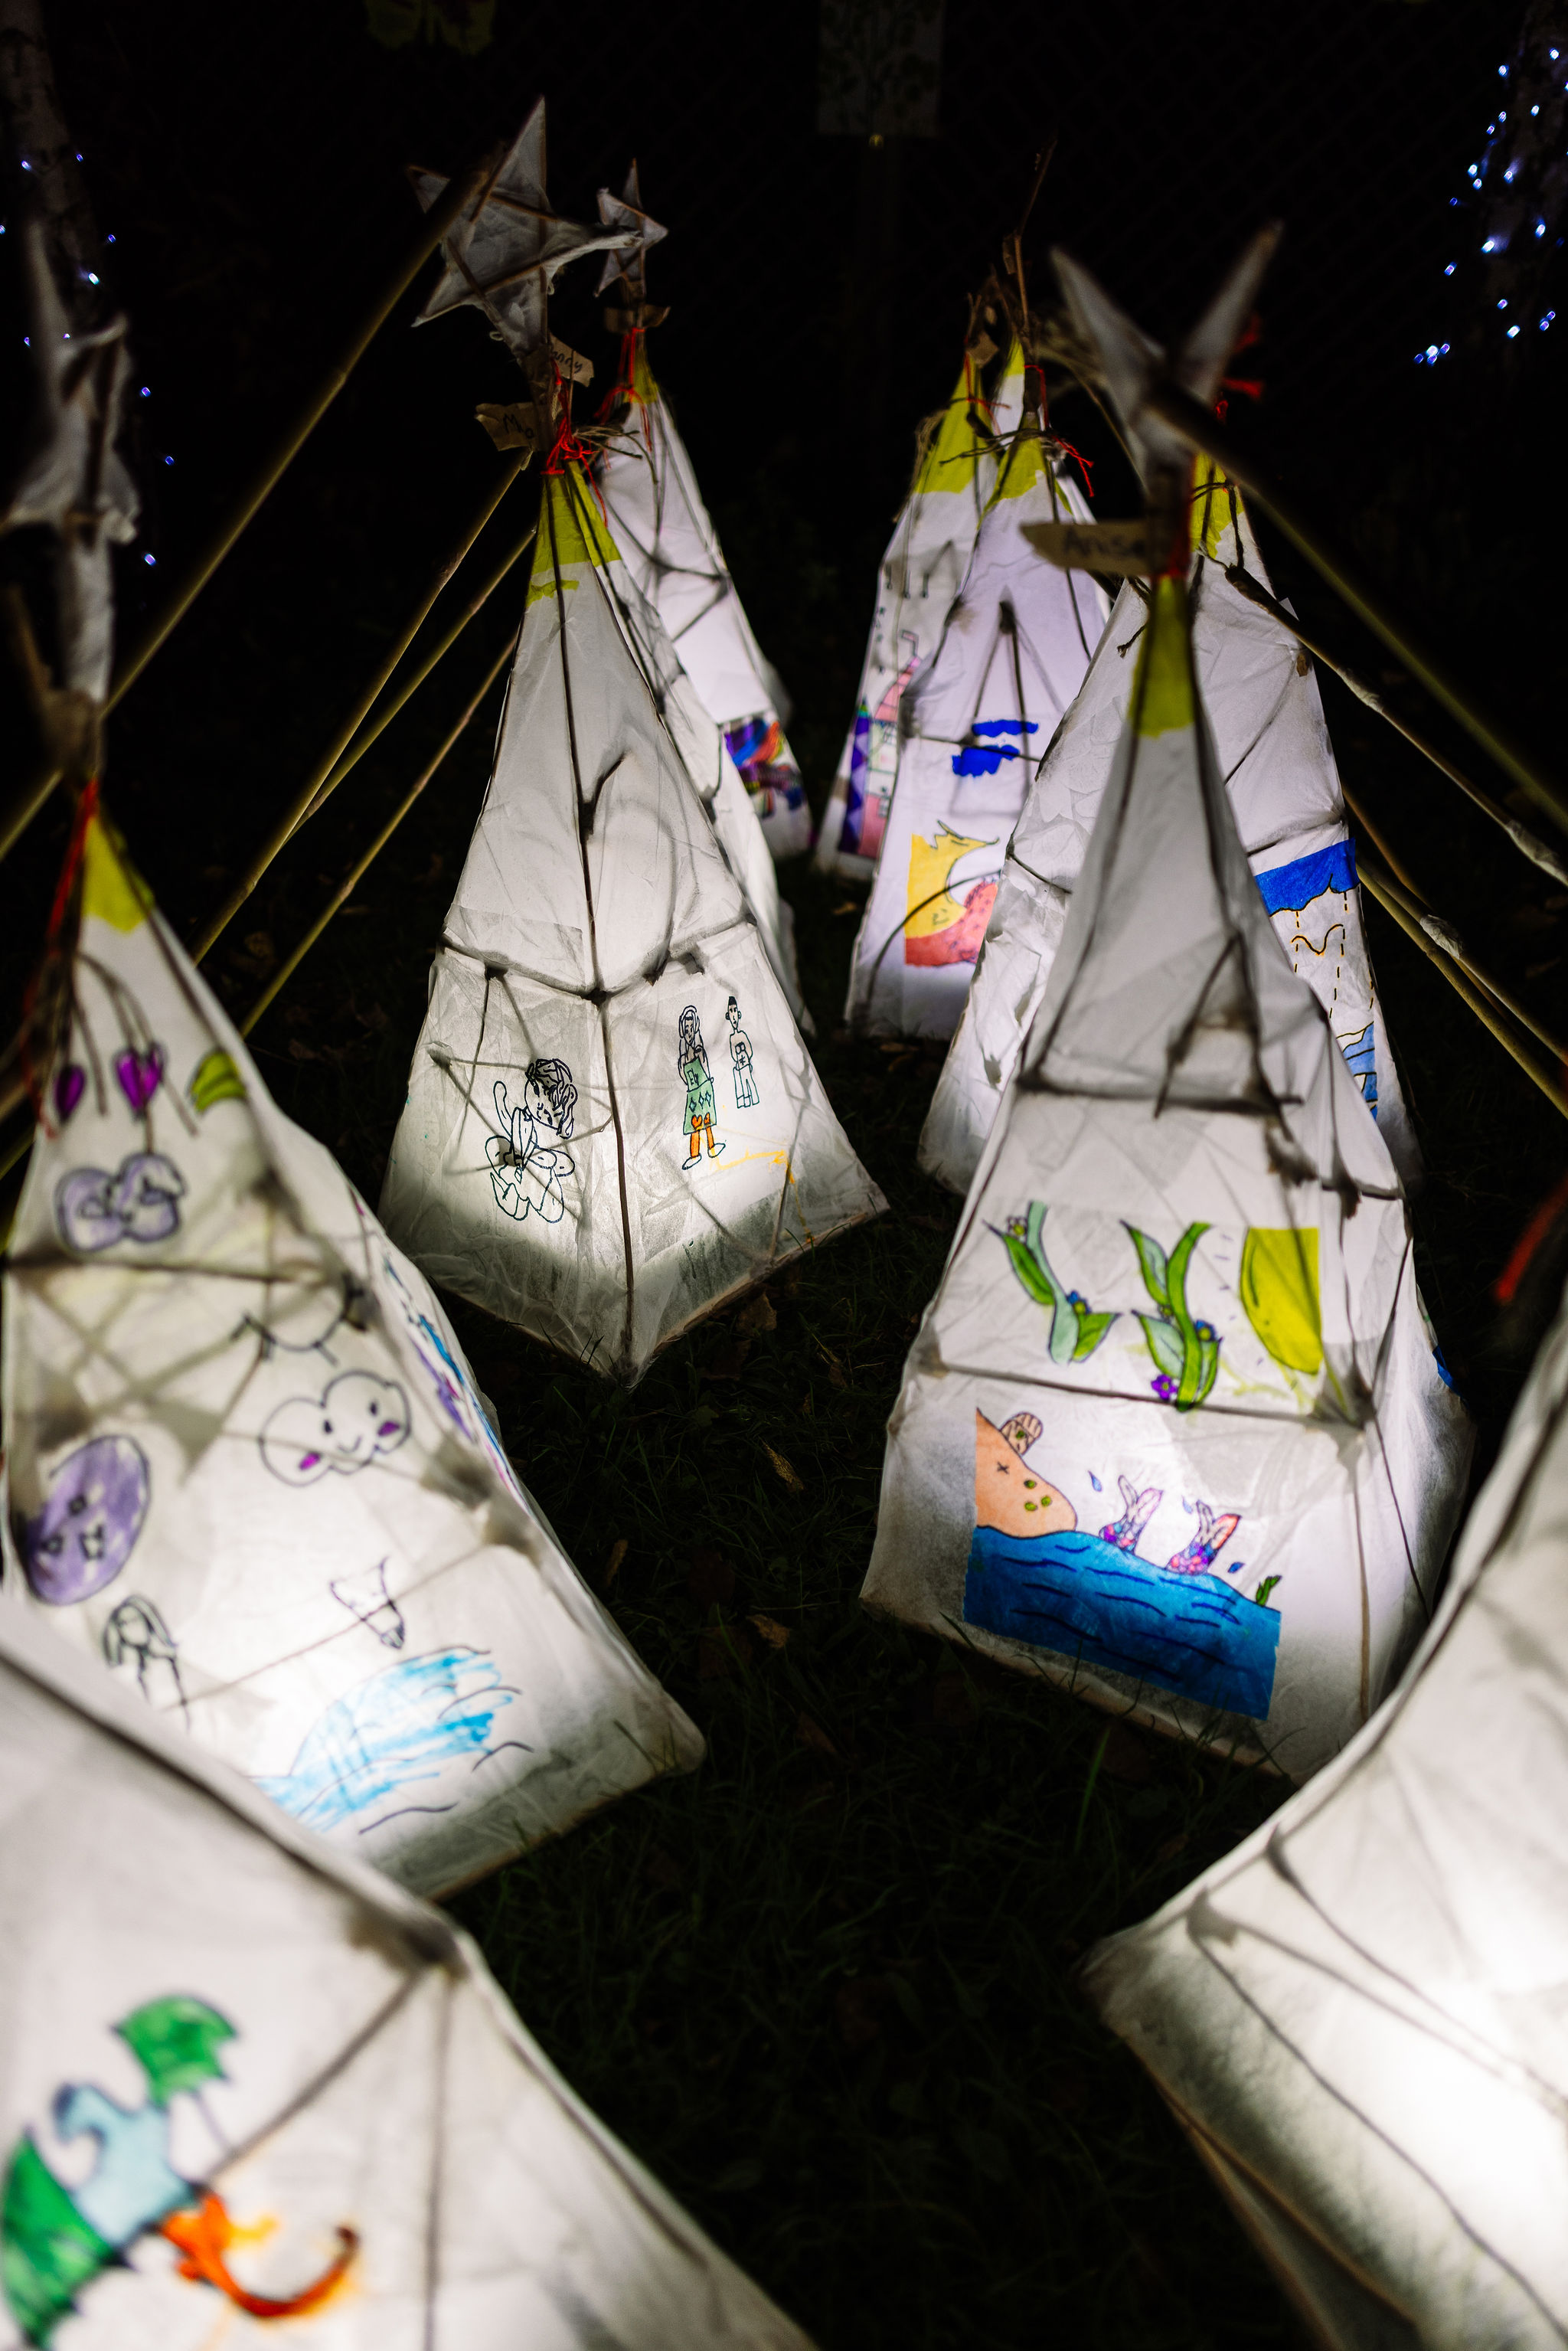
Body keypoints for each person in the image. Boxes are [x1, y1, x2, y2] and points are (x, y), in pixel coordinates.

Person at [487, 1058, 577, 1223]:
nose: (540, 1106)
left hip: (540, 1184)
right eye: (536, 1090)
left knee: (544, 1205)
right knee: (493, 1147)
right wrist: (501, 1102)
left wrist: (547, 1159)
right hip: (521, 1172)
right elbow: (508, 1123)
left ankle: (518, 1193)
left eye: (549, 1115)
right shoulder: (521, 1118)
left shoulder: (547, 1136)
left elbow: (565, 1164)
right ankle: (513, 1193)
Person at [677, 1006, 724, 1166]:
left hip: (704, 1090)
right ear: (683, 1032)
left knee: (707, 1120)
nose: (689, 1033)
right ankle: (694, 1154)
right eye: (686, 1029)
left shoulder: (700, 1051)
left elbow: (705, 1068)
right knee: (695, 1125)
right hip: (693, 1094)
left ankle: (711, 1147)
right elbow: (684, 1076)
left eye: (691, 1028)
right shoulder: (683, 1059)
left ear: (696, 1028)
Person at [726, 995, 759, 1110]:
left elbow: (749, 1050)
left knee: (750, 1082)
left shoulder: (743, 1035)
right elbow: (733, 1055)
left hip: (746, 1065)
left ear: (738, 1014)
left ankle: (754, 1100)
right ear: (728, 1016)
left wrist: (746, 1058)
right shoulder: (731, 1038)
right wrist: (739, 1055)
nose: (733, 1015)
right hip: (740, 1067)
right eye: (731, 1011)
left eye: (735, 1010)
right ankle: (747, 1104)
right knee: (744, 1085)